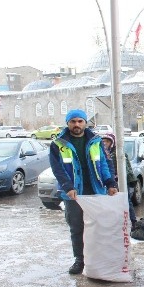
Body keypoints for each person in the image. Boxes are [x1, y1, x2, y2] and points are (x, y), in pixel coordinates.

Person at [49, 109, 118, 275]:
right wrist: (67, 186)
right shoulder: (58, 144)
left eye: (80, 121)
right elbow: (57, 169)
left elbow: (105, 164)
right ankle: (80, 259)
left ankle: (99, 258)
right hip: (73, 194)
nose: (77, 125)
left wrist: (110, 183)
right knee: (77, 227)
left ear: (85, 123)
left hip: (96, 190)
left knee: (99, 226)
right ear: (68, 123)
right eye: (73, 121)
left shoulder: (96, 141)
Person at [101, 133, 139, 230]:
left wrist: (117, 178)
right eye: (103, 141)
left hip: (121, 182)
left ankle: (133, 222)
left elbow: (125, 170)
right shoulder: (102, 153)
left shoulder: (119, 154)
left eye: (107, 141)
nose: (105, 143)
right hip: (109, 183)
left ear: (112, 143)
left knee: (126, 201)